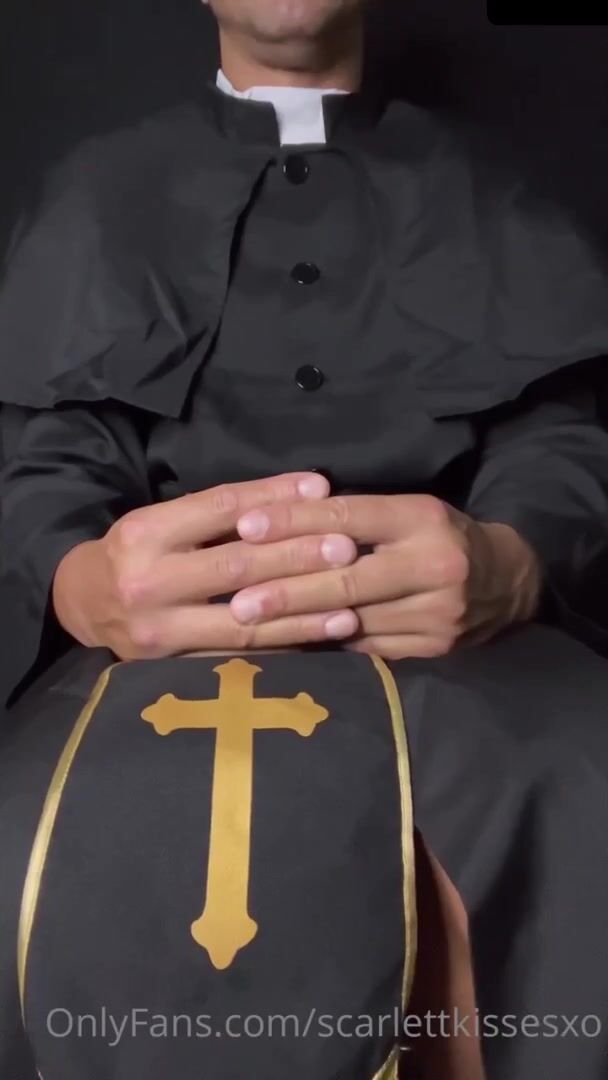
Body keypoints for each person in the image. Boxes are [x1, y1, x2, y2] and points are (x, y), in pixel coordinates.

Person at [1, 0, 608, 1077]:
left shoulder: (492, 185)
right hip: (145, 657)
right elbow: (53, 449)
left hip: (466, 649)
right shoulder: (98, 190)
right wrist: (78, 576)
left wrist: (513, 562)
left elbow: (558, 433)